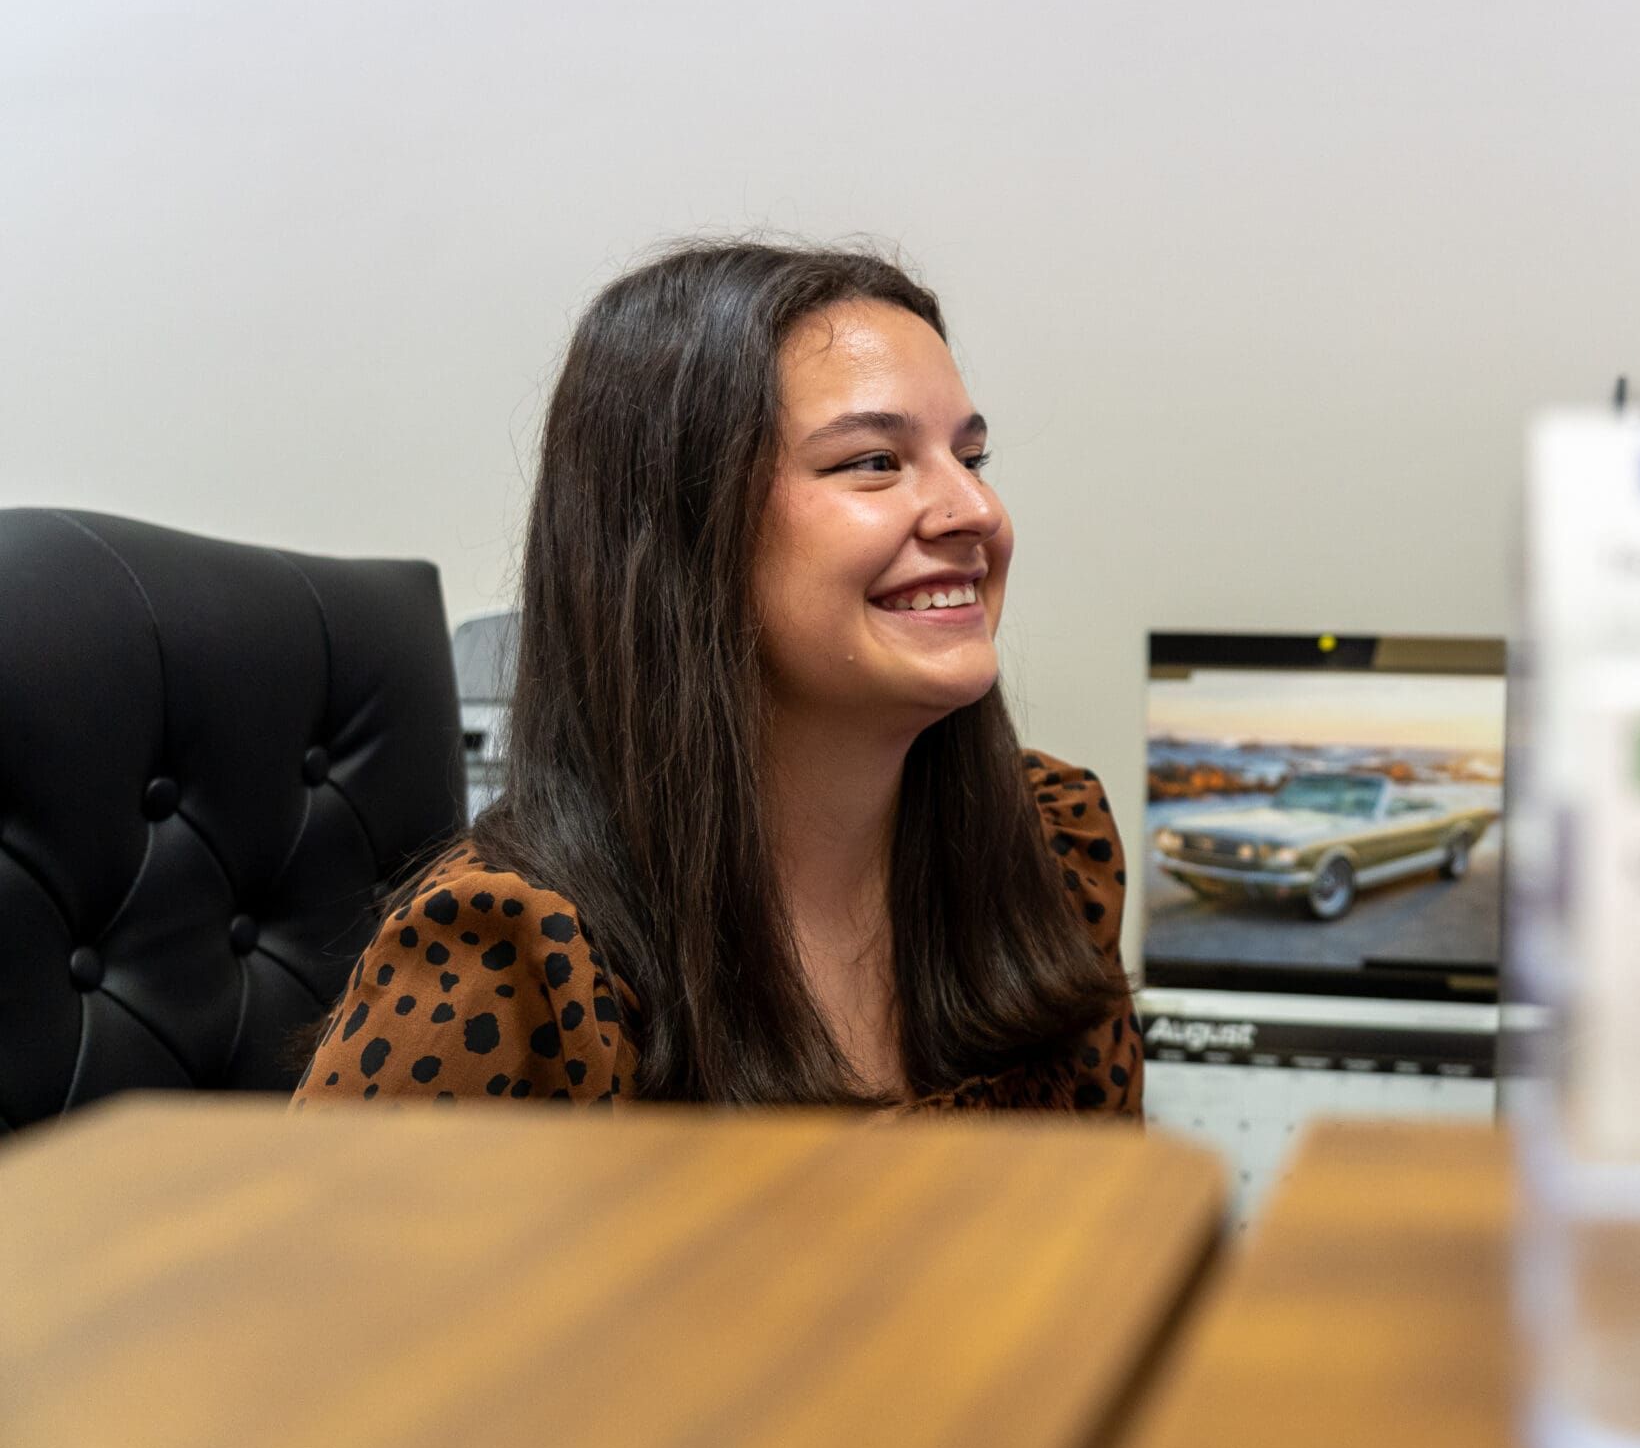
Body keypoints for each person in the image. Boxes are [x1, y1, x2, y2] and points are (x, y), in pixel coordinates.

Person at [295, 241, 1139, 1115]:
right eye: (874, 461)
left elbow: (1120, 1242)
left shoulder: (1048, 851)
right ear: (688, 534)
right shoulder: (501, 966)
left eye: (972, 458)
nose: (977, 511)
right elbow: (308, 1256)